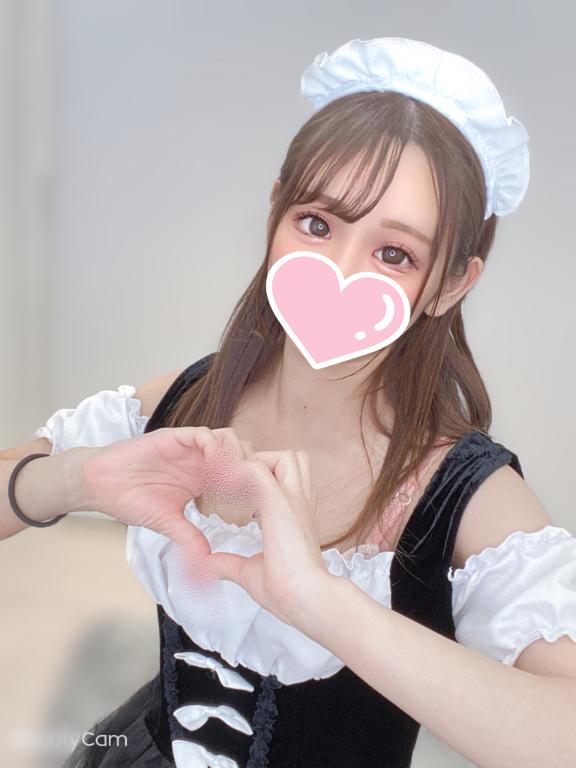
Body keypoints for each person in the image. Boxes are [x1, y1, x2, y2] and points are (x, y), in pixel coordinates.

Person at [2, 36, 576, 768]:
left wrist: (323, 604)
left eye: (394, 254)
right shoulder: (185, 401)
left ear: (451, 284)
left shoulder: (469, 499)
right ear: (276, 209)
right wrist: (75, 480)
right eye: (317, 224)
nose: (340, 270)